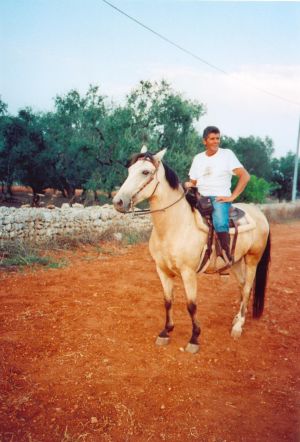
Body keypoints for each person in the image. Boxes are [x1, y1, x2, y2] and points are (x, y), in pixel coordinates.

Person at [185, 126, 250, 266]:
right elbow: (193, 181)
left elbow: (245, 176)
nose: (216, 141)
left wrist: (232, 197)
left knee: (220, 222)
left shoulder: (227, 155)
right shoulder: (198, 158)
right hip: (200, 196)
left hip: (219, 198)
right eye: (212, 139)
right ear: (204, 141)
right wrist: (189, 185)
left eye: (218, 138)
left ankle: (225, 254)